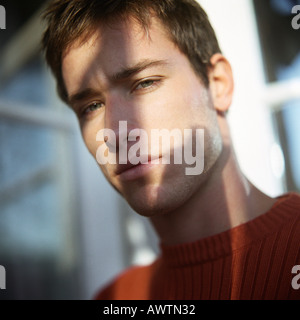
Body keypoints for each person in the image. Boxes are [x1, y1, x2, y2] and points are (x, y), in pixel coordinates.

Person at [41, 0, 300, 300]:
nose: (114, 130)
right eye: (91, 106)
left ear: (218, 84)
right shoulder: (116, 299)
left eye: (144, 83)